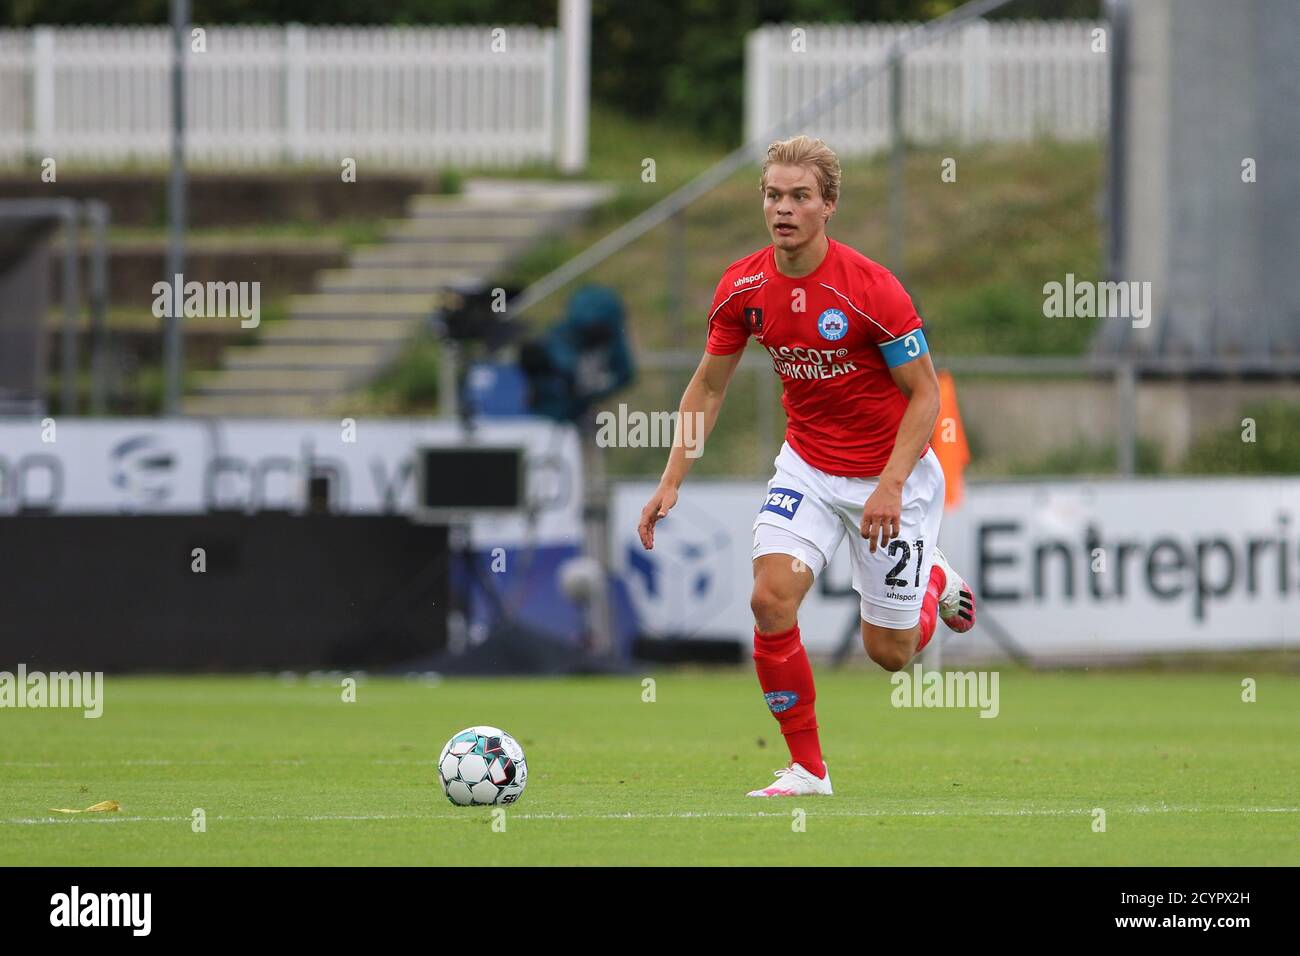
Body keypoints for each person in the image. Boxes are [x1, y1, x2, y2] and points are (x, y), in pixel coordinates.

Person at [637, 134, 976, 797]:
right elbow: (708, 387)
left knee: (891, 655)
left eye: (798, 197)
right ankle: (807, 770)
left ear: (828, 207)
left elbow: (926, 395)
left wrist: (891, 483)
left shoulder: (871, 290)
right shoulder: (744, 287)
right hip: (809, 471)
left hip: (890, 476)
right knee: (769, 601)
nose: (782, 209)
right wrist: (672, 478)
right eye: (772, 195)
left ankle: (933, 581)